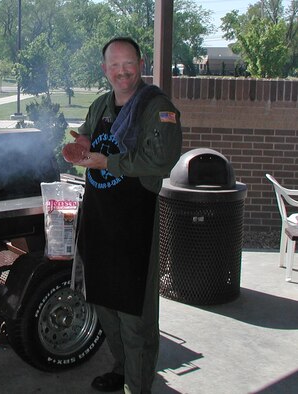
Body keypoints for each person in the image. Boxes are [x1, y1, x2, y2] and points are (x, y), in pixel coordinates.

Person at [67, 37, 182, 394]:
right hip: (100, 221)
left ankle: (139, 385)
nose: (122, 72)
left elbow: (160, 160)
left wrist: (106, 162)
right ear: (104, 70)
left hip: (136, 224)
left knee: (135, 316)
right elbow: (87, 136)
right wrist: (81, 146)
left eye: (128, 63)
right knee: (104, 304)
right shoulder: (102, 104)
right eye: (114, 65)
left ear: (141, 63)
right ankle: (122, 367)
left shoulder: (157, 107)